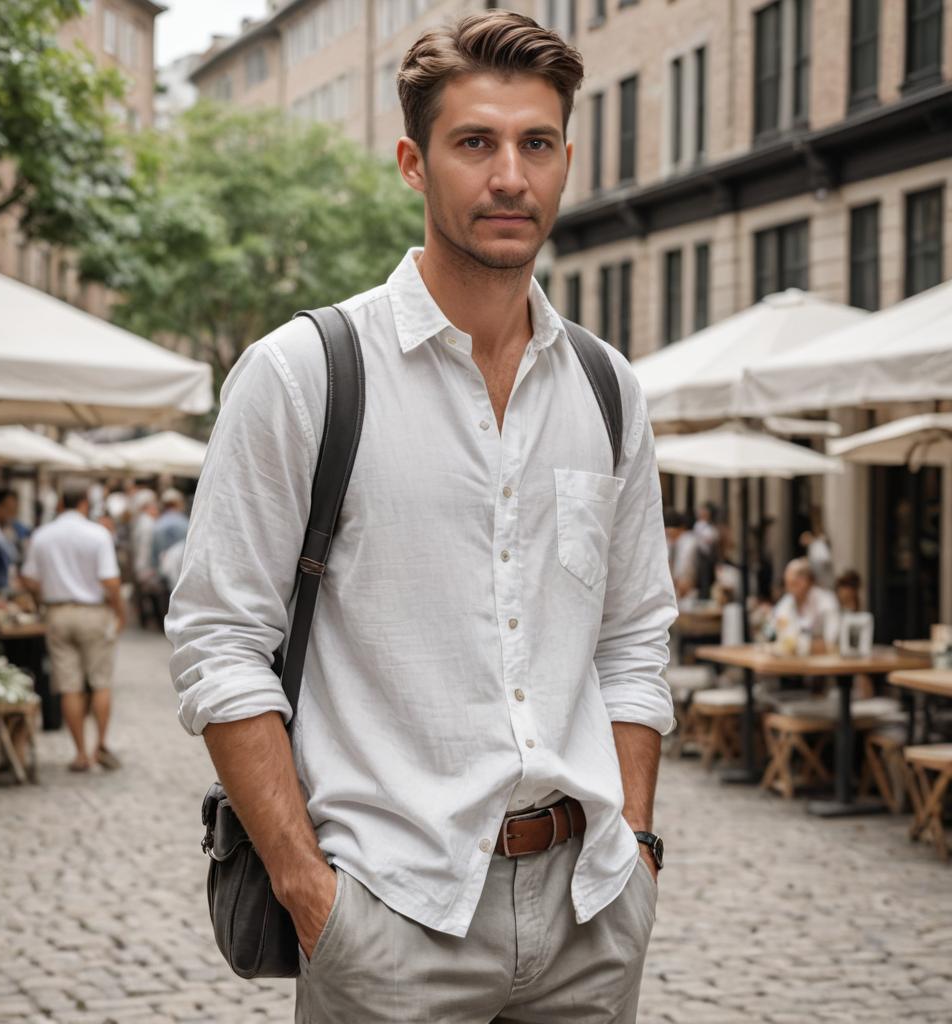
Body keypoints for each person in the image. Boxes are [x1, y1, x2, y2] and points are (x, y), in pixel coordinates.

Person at [168, 12, 675, 1023]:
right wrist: (313, 895)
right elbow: (220, 641)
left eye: (535, 144)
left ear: (566, 159)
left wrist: (640, 854)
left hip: (589, 906)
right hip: (389, 913)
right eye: (473, 143)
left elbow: (632, 638)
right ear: (413, 161)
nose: (509, 177)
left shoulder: (606, 389)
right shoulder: (303, 373)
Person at [21, 487, 126, 773]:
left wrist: (45, 595)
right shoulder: (97, 534)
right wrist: (120, 612)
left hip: (58, 613)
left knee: (69, 686)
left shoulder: (42, 535)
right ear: (83, 504)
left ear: (59, 504)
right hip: (93, 612)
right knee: (100, 681)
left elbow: (28, 579)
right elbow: (111, 581)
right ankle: (100, 746)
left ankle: (80, 753)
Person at [771, 557, 841, 645]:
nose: (789, 589)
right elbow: (779, 632)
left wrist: (802, 644)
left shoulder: (826, 601)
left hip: (824, 658)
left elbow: (831, 639)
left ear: (806, 581)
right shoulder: (787, 601)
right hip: (794, 658)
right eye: (787, 584)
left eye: (793, 583)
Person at [665, 508, 699, 607]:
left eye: (671, 533)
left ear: (681, 529)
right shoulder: (669, 543)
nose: (670, 537)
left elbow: (685, 569)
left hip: (690, 593)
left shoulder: (689, 542)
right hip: (675, 593)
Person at [151, 488, 188, 573]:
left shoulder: (158, 524)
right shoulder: (184, 522)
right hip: (182, 570)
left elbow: (155, 554)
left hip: (164, 570)